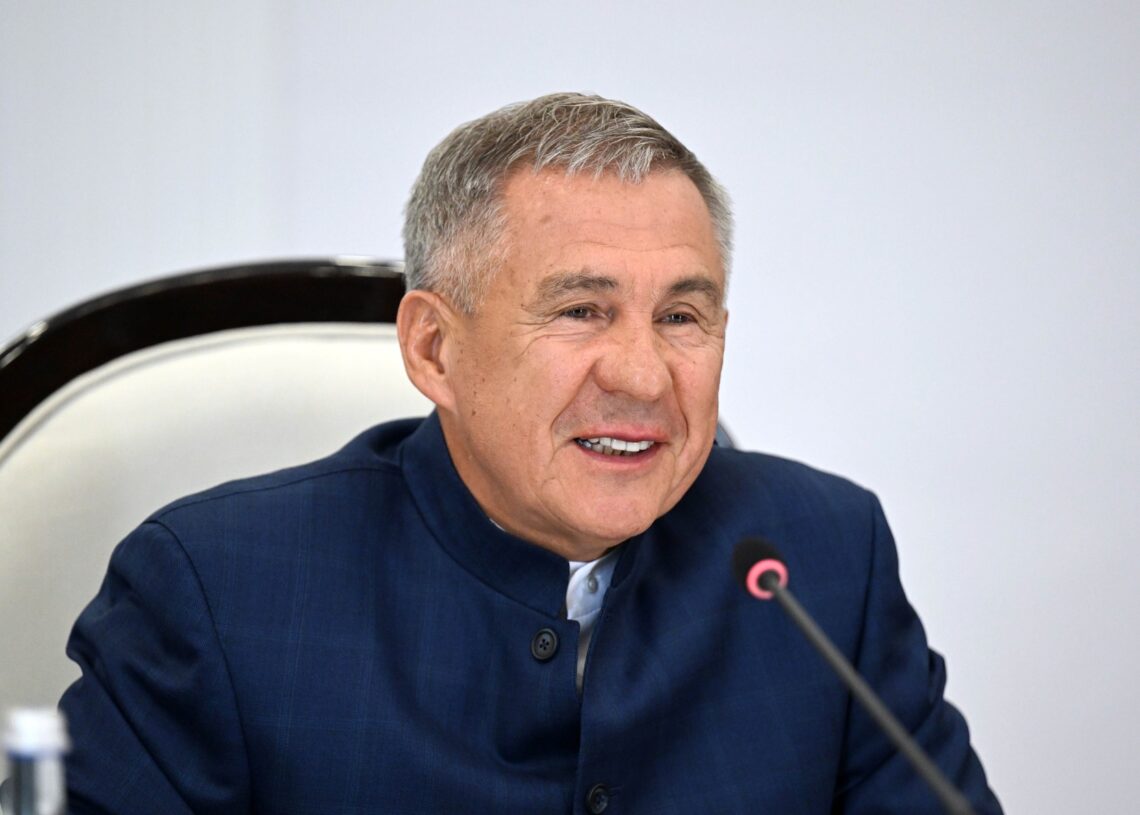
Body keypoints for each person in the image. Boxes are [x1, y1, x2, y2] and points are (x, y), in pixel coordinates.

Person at [60, 92, 1002, 814]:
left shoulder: (824, 559)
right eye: (581, 310)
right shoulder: (216, 593)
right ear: (435, 350)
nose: (644, 375)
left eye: (681, 317)